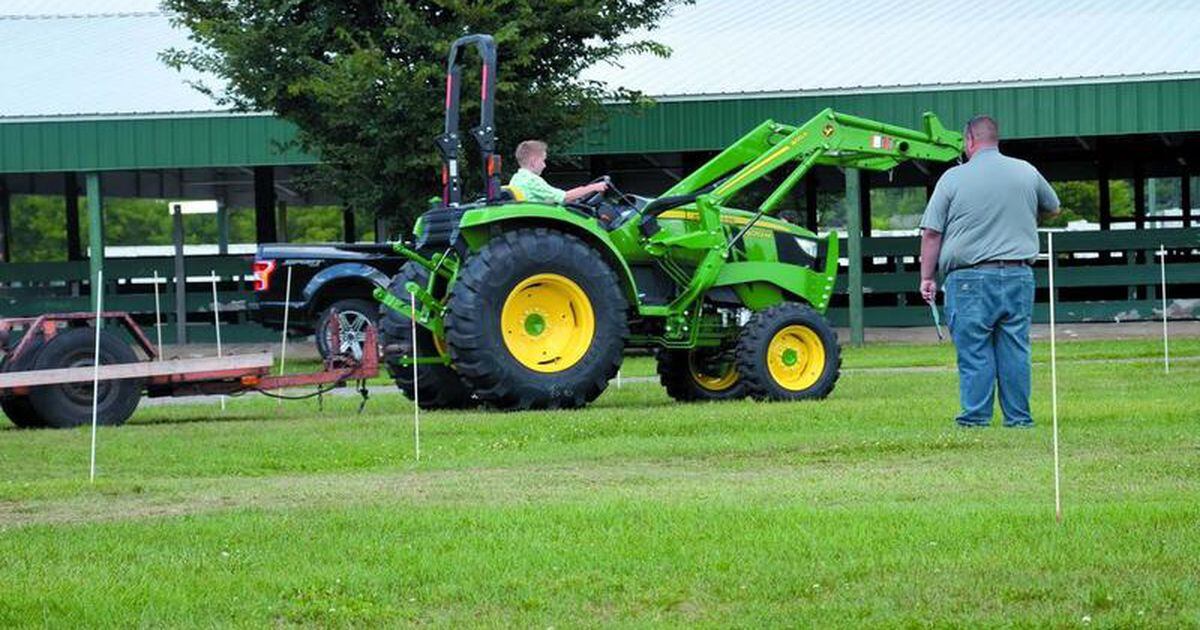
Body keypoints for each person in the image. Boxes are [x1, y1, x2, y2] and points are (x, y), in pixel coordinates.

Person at [918, 115, 1060, 428]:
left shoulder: (953, 178)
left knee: (974, 350)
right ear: (996, 139)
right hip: (1018, 275)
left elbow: (931, 233)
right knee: (1015, 348)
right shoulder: (1026, 171)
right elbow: (1053, 207)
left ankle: (975, 419)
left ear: (969, 140)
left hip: (968, 278)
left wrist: (927, 277)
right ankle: (1019, 419)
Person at [509, 140, 607, 204]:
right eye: (543, 160)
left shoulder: (517, 178)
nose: (545, 165)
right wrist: (593, 187)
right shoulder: (531, 181)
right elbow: (565, 197)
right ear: (534, 161)